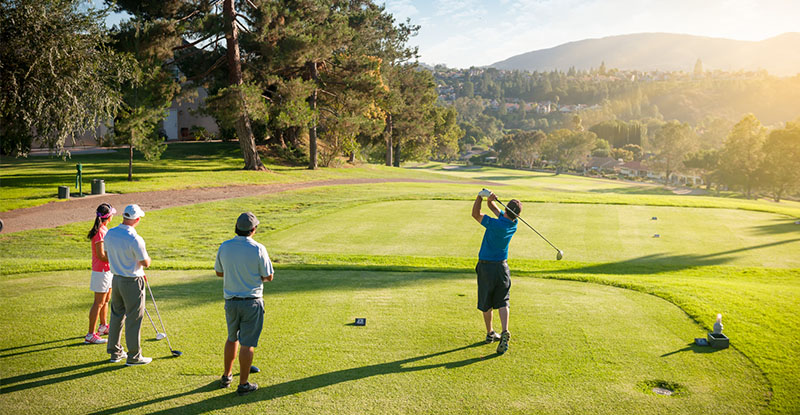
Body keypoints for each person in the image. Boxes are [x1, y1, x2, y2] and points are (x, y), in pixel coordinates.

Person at [214, 212, 274, 396]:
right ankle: (244, 383)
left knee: (232, 338)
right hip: (252, 301)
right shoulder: (258, 248)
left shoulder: (225, 246)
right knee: (247, 343)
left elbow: (219, 272)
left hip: (231, 302)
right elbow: (268, 276)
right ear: (253, 229)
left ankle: (226, 375)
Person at [471, 189, 521, 355]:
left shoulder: (494, 224)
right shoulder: (513, 224)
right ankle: (504, 330)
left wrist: (479, 196)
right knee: (502, 300)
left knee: (487, 301)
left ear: (506, 209)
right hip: (502, 267)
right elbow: (493, 208)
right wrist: (491, 200)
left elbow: (475, 214)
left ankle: (490, 332)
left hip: (486, 267)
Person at [103, 204, 152, 366]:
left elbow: (108, 254)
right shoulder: (135, 239)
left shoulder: (110, 233)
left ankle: (115, 353)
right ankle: (134, 356)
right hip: (132, 281)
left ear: (124, 217)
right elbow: (145, 263)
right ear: (136, 219)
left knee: (117, 315)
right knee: (134, 318)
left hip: (116, 279)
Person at [85, 203, 116, 344]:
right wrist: (116, 257)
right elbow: (101, 255)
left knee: (106, 299)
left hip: (107, 270)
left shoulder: (104, 229)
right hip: (101, 271)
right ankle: (90, 335)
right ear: (108, 217)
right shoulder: (100, 232)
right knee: (98, 302)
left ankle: (103, 326)